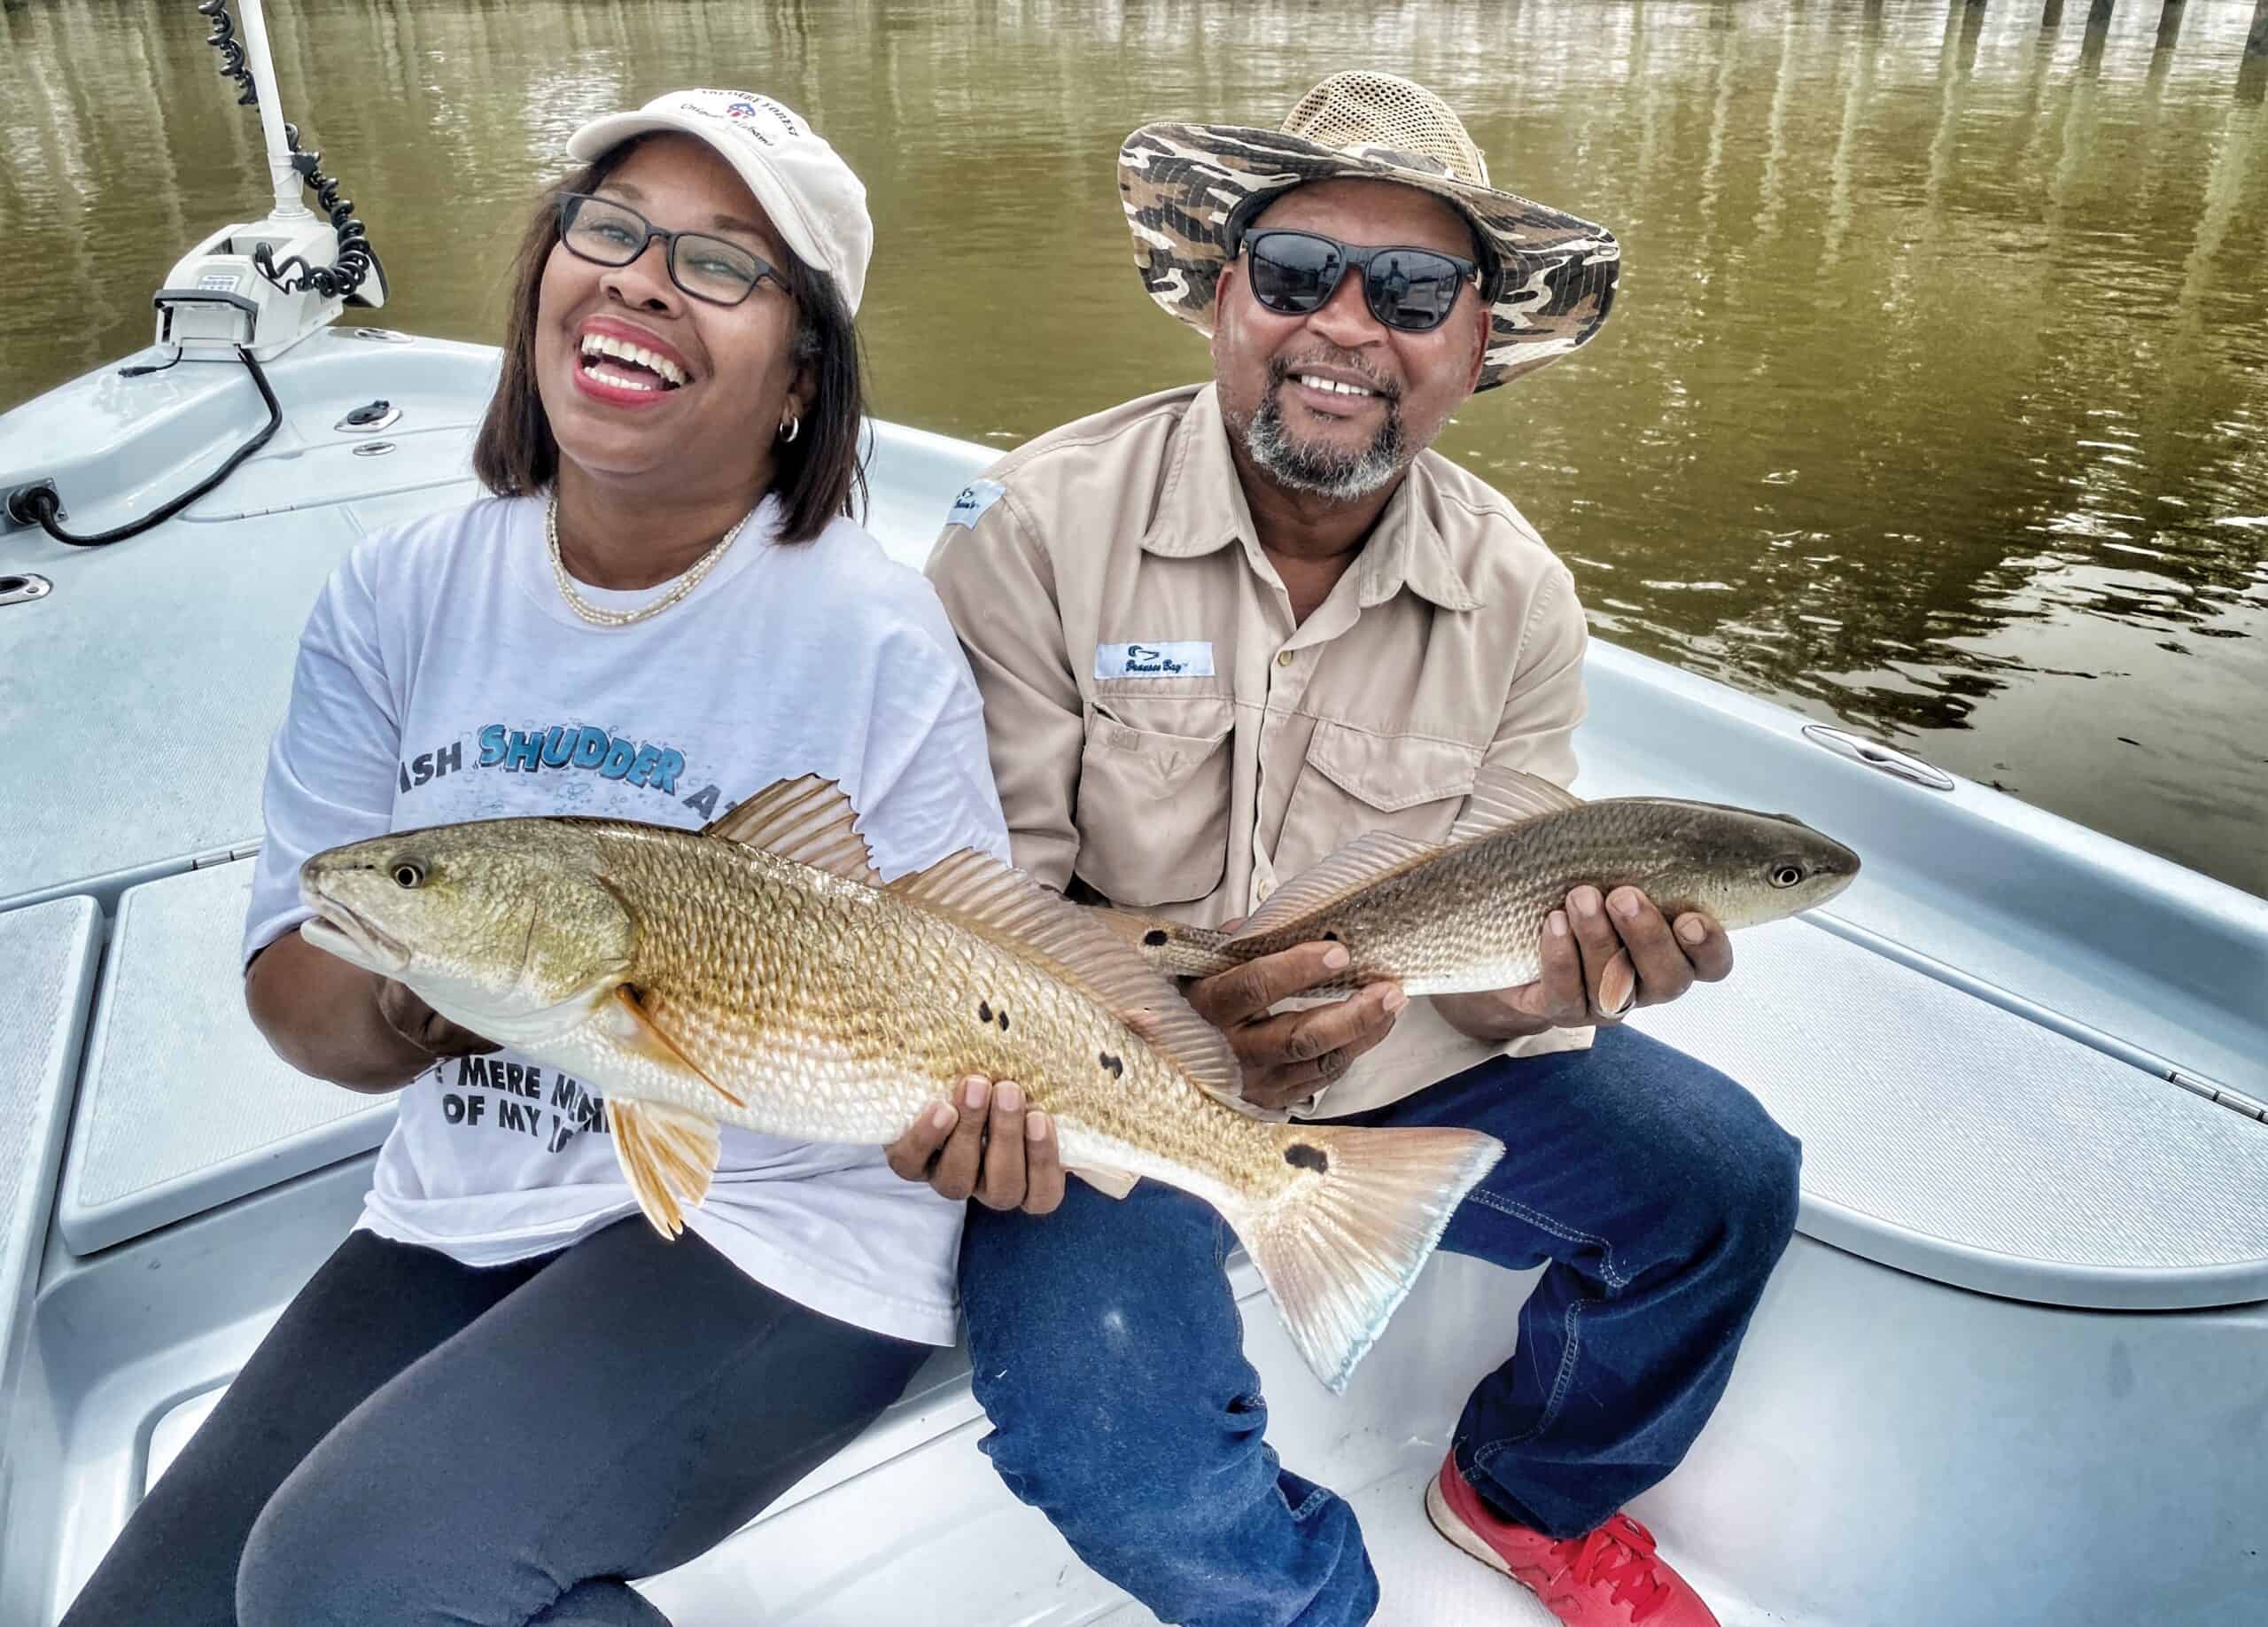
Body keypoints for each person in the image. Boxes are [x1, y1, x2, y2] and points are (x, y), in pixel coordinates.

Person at [61, 90, 1007, 1627]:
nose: (637, 278)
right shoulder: (398, 596)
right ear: (548, 269)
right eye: (612, 229)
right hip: (464, 1201)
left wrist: (986, 1118)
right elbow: (299, 992)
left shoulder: (870, 634)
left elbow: (955, 977)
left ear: (800, 371)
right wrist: (417, 1004)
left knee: (343, 1577)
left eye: (719, 264)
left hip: (779, 1219)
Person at [893, 73, 1800, 1627]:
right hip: (1100, 1069)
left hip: (1412, 1055)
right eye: (1298, 272)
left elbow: (1503, 966)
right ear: (1222, 298)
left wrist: (1560, 987)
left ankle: (1522, 1490)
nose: (1346, 328)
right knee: (1110, 1438)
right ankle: (1309, 1602)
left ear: (1474, 345)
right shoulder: (1033, 526)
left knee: (1727, 1186)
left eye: (1415, 289)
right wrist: (1181, 1036)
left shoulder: (1522, 599)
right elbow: (982, 914)